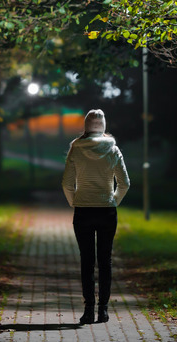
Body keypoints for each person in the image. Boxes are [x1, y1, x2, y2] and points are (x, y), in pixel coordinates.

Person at [61, 109, 130, 325]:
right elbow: (125, 183)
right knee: (105, 261)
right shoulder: (113, 149)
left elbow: (66, 183)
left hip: (83, 210)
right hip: (107, 211)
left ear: (86, 126)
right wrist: (112, 201)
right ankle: (104, 311)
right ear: (103, 126)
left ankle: (88, 310)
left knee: (87, 261)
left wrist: (75, 201)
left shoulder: (76, 148)